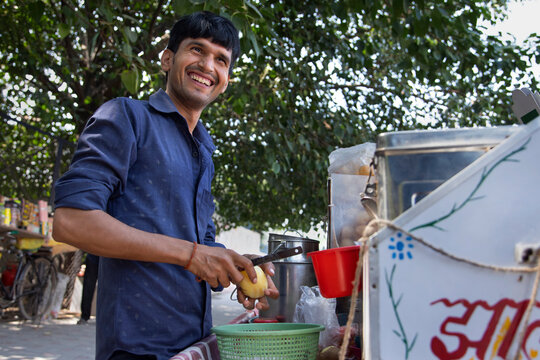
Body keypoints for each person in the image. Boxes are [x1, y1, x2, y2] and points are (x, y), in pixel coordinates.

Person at [52, 11, 278, 360]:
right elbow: (70, 220)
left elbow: (200, 244)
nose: (207, 65)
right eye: (196, 50)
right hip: (136, 349)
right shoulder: (126, 117)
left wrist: (232, 265)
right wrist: (191, 255)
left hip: (194, 344)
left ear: (226, 79)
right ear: (168, 59)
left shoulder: (204, 150)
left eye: (220, 59)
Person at [78, 252, 99, 325]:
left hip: (95, 253)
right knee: (89, 286)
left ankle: (84, 316)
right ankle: (84, 315)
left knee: (88, 286)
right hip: (106, 255)